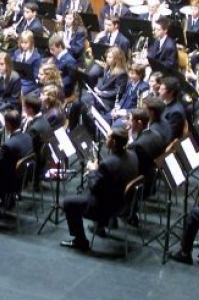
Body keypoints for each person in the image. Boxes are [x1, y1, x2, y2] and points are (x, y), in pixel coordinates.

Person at [60, 120, 140, 252]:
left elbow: (94, 187)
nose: (105, 138)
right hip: (126, 202)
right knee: (86, 192)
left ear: (113, 143)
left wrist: (92, 171)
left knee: (68, 202)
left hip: (108, 206)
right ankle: (100, 226)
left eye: (108, 137)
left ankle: (80, 241)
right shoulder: (133, 155)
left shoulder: (108, 164)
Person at [12, 29, 42, 97]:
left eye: (26, 43)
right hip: (17, 78)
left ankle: (21, 106)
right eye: (22, 42)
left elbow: (35, 75)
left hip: (29, 83)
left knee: (18, 91)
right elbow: (11, 65)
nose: (23, 45)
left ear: (31, 43)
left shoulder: (36, 57)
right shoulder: (17, 52)